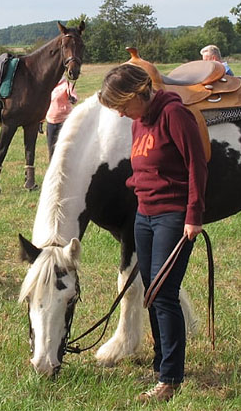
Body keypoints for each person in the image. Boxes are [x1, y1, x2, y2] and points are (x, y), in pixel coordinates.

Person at [98, 64, 208, 403]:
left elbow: (197, 165)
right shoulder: (138, 122)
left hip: (172, 217)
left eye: (121, 105)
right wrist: (137, 186)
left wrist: (193, 215)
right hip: (143, 215)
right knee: (150, 292)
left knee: (164, 294)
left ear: (137, 94)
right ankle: (162, 367)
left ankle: (170, 379)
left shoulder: (174, 115)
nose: (119, 113)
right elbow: (143, 165)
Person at [44, 76, 77, 161]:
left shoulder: (67, 85)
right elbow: (44, 103)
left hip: (64, 121)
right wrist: (41, 121)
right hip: (51, 121)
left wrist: (73, 98)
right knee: (51, 149)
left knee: (65, 148)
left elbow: (73, 96)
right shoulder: (49, 84)